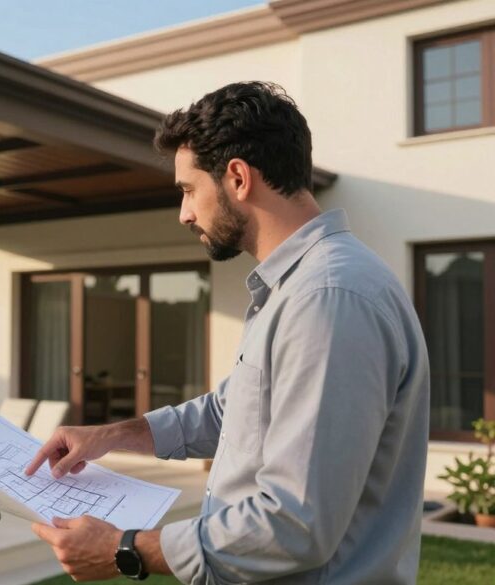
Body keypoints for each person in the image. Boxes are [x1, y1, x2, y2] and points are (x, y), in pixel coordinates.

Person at [26, 82, 430, 584]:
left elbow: (295, 523)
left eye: (188, 189)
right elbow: (230, 412)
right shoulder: (296, 288)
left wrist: (125, 548)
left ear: (237, 177)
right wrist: (114, 436)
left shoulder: (326, 298)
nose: (184, 213)